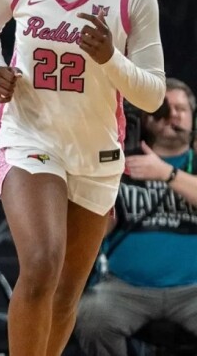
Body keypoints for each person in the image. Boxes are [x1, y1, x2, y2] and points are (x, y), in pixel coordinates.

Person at [0, 0, 166, 356]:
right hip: (29, 135)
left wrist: (110, 59)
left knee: (66, 293)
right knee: (39, 264)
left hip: (95, 153)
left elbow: (155, 94)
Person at [76, 79, 197, 355]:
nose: (173, 115)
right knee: (93, 317)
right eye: (164, 108)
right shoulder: (120, 163)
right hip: (125, 288)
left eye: (181, 109)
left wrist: (167, 173)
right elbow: (95, 229)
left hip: (192, 289)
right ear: (147, 116)